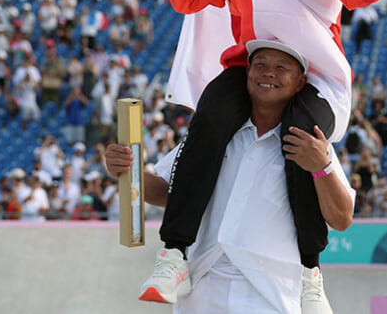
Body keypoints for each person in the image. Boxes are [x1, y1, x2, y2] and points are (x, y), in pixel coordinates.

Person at [159, 0, 386, 311]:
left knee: (302, 136)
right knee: (210, 118)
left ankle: (309, 269)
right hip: (251, 68)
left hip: (315, 75)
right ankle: (174, 253)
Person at [106, 40, 355, 313]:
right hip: (201, 290)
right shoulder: (212, 136)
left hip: (271, 295)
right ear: (246, 73)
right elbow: (165, 191)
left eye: (281, 67)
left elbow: (341, 218)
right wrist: (126, 171)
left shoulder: (313, 145)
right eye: (260, 64)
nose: (268, 73)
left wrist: (322, 166)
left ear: (299, 83)